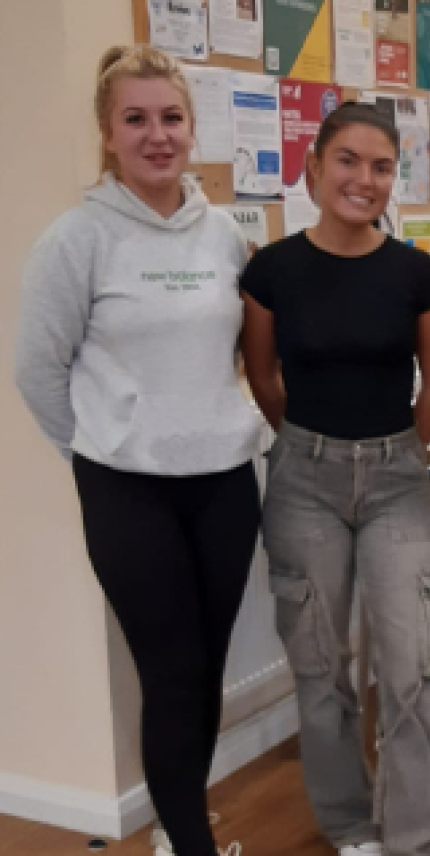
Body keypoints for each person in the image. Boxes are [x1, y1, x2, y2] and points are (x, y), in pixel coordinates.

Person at [14, 46, 262, 856]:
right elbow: (38, 371)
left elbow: (245, 354)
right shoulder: (75, 239)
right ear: (107, 133)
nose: (157, 135)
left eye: (171, 118)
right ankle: (190, 845)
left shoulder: (225, 235)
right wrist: (99, 449)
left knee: (209, 667)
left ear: (192, 129)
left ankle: (174, 826)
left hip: (224, 483)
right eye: (136, 119)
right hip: (129, 494)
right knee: (170, 672)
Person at [239, 103, 430, 856]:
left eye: (382, 166)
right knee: (321, 664)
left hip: (397, 477)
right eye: (349, 160)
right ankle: (349, 827)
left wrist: (399, 449)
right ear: (314, 167)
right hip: (303, 479)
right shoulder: (271, 270)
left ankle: (412, 838)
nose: (365, 179)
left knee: (413, 666)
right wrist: (311, 443)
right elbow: (263, 377)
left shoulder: (414, 272)